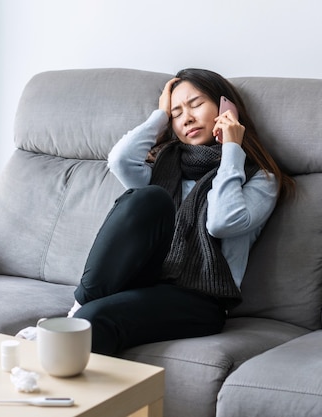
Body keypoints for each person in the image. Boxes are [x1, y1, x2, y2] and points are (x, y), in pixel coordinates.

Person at [36, 68, 293, 355]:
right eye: (176, 113)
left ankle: (72, 335)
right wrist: (159, 116)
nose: (187, 118)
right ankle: (76, 310)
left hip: (200, 300)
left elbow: (221, 222)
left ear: (225, 108)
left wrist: (232, 148)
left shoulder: (261, 178)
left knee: (94, 321)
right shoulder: (166, 165)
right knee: (147, 198)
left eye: (196, 104)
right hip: (143, 281)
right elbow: (120, 161)